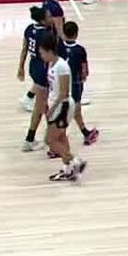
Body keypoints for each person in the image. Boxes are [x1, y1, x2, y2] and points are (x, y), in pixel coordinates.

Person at [39, 34, 88, 181]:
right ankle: (68, 169)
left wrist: (52, 109)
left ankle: (75, 161)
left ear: (49, 51)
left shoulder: (62, 66)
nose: (41, 56)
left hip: (63, 107)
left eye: (42, 53)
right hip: (57, 105)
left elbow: (64, 92)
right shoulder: (51, 64)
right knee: (60, 137)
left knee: (49, 140)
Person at [19, 6, 53, 149]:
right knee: (41, 107)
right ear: (43, 20)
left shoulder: (29, 29)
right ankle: (30, 139)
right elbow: (51, 55)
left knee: (44, 105)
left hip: (33, 67)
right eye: (49, 16)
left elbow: (24, 48)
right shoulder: (46, 34)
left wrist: (21, 67)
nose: (51, 18)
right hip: (43, 70)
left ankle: (51, 133)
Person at [61, 21, 100, 147]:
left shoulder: (59, 47)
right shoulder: (80, 50)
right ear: (76, 34)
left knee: (63, 110)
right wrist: (84, 76)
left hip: (61, 83)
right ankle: (82, 134)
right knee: (75, 109)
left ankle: (84, 132)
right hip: (75, 84)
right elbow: (84, 70)